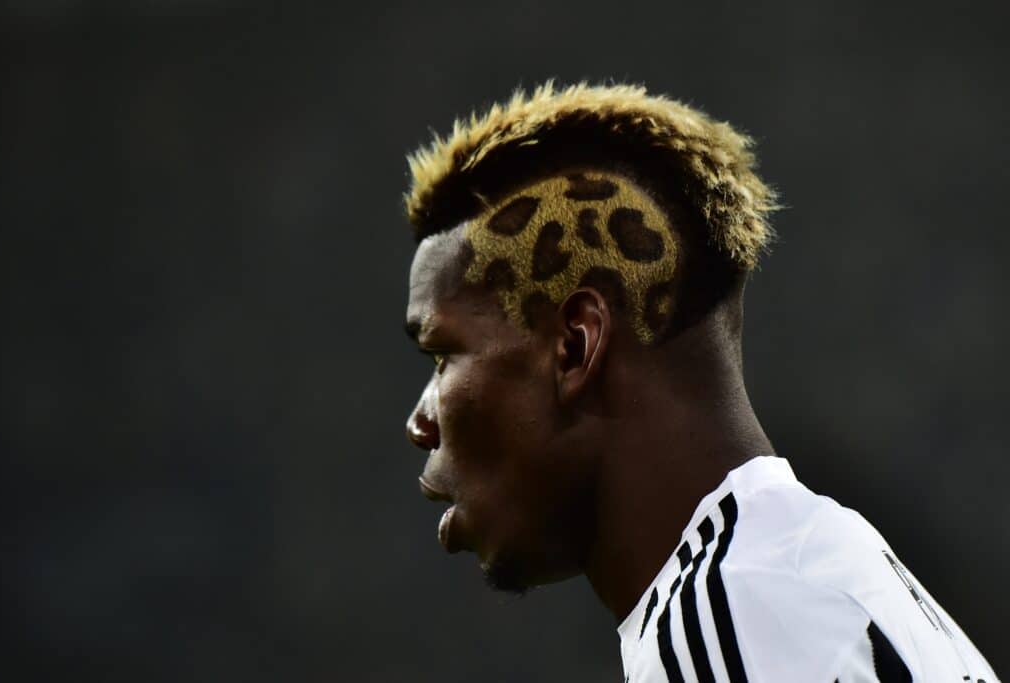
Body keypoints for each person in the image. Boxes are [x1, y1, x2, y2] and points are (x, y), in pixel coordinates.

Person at [400, 81, 998, 683]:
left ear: (576, 346)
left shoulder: (742, 614)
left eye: (442, 356)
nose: (420, 423)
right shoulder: (821, 569)